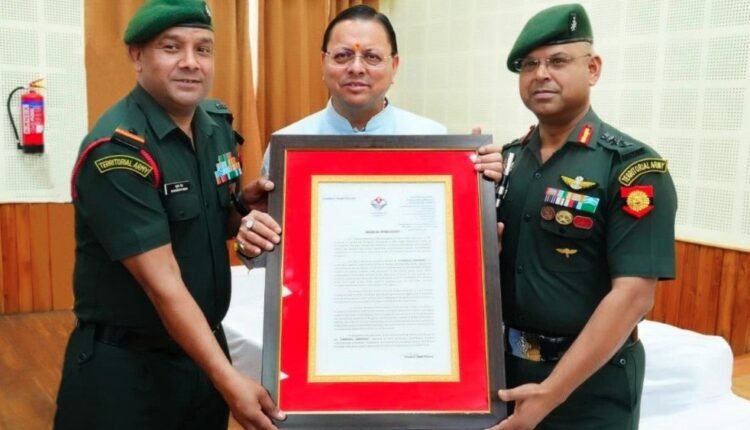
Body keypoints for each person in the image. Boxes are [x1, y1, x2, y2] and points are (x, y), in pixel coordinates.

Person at [55, 1, 284, 429]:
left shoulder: (215, 126)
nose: (191, 62)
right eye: (171, 47)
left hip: (201, 355)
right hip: (128, 373)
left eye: (203, 49)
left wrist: (242, 212)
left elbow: (205, 220)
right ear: (137, 56)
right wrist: (229, 381)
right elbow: (162, 284)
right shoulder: (119, 152)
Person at [490, 4, 677, 430]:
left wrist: (550, 394)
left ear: (592, 69)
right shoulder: (507, 162)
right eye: (529, 65)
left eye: (558, 61)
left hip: (592, 385)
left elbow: (634, 296)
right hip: (507, 371)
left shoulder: (631, 168)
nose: (541, 74)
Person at [255, 5, 501, 183]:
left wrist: (480, 179)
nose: (356, 68)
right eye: (342, 56)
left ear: (394, 66)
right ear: (323, 63)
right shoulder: (286, 147)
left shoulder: (433, 139)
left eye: (372, 57)